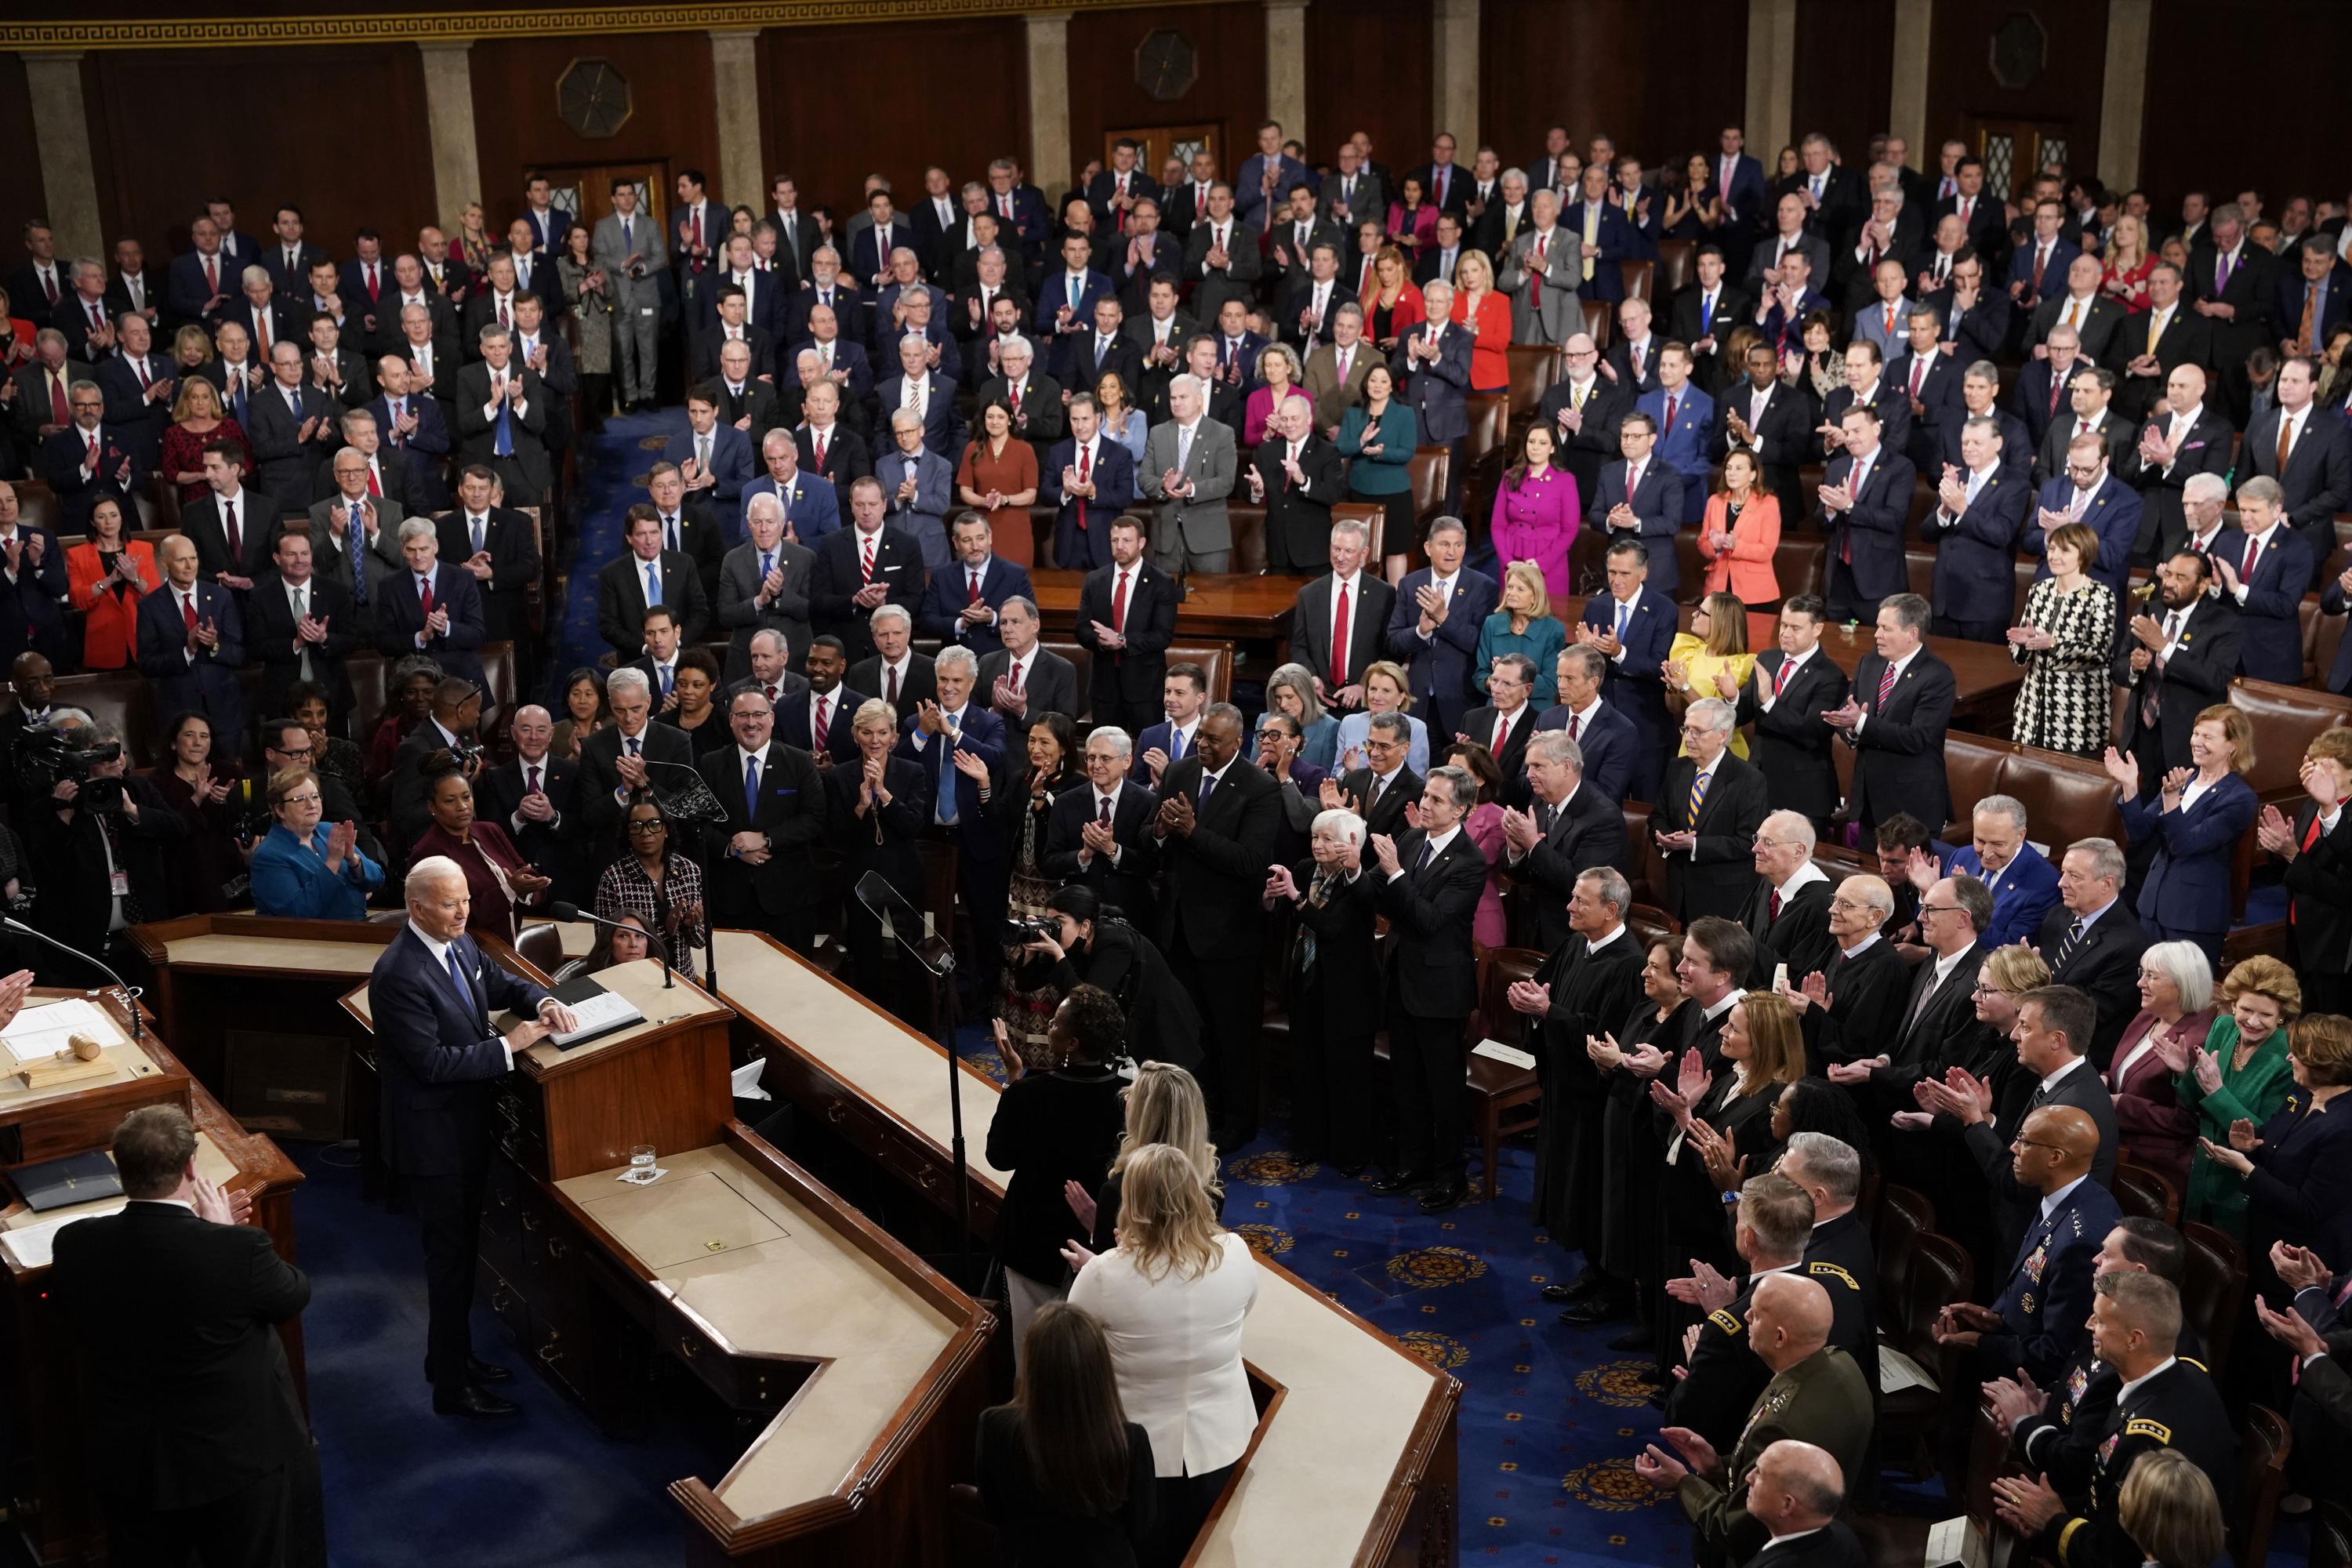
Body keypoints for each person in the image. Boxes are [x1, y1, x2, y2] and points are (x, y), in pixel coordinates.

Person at [49, 1105, 314, 1568]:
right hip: (234, 1460)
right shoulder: (237, 1248)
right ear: (191, 1166)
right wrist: (217, 1234)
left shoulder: (73, 1243)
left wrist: (199, 1233)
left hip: (131, 1461)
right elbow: (292, 1296)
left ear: (119, 1167)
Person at [368, 858, 575, 1417]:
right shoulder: (399, 974)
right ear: (416, 908)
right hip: (434, 1142)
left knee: (461, 1256)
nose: (462, 911)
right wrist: (515, 1044)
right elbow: (433, 1064)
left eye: (464, 900)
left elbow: (503, 982)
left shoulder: (459, 944)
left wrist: (545, 1000)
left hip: (465, 1126)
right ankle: (452, 1389)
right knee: (451, 1262)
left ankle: (450, 1359)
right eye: (447, 903)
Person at [1065, 1143, 1258, 1567]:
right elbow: (1244, 1310)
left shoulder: (1103, 1273)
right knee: (1212, 1553)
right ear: (1195, 1194)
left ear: (1132, 1201)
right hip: (1223, 1443)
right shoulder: (1238, 1253)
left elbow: (1069, 1349)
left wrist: (1113, 1259)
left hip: (1135, 1457)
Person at [1992, 1275, 2236, 1568]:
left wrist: (2053, 1521)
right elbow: (2104, 1501)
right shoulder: (2178, 1374)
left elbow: (2115, 1558)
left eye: (2101, 1320)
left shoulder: (2148, 1440)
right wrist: (2043, 1512)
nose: (2089, 1325)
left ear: (2134, 1339)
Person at [1634, 1273, 1873, 1567]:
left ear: (1780, 1337)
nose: (1745, 1315)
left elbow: (1734, 1528)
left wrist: (1682, 1482)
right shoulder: (1842, 1364)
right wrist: (1718, 1466)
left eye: (1757, 1314)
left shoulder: (1781, 1424)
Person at [1137, 704, 1279, 1145]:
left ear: (1238, 742)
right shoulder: (1180, 773)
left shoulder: (1260, 789)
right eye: (1201, 737)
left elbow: (1251, 862)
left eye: (1213, 740)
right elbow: (1148, 839)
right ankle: (1195, 1117)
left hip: (1230, 937)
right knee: (1186, 1032)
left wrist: (1193, 832)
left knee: (1232, 1036)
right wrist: (1160, 831)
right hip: (1178, 930)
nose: (1203, 745)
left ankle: (1237, 1124)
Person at [2194, 1012, 2352, 1408]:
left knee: (2273, 1364)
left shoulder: (2345, 1127)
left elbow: (2308, 1207)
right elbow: (2277, 1145)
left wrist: (2245, 1169)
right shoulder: (2302, 1094)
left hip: (2301, 1261)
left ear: (2323, 1059)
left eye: (2297, 1053)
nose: (2288, 1060)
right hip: (2265, 1240)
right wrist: (2252, 1144)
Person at [988, 985, 1130, 1359]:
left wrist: (1014, 1076)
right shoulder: (1132, 1099)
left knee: (1033, 1359)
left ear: (1071, 1043)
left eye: (1055, 1022)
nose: (1048, 1025)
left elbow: (999, 1157)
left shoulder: (1028, 1095)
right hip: (1106, 1242)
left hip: (1033, 1244)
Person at [974, 1302, 1156, 1568]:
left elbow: (992, 1509)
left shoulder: (993, 1426)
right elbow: (1142, 1528)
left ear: (1032, 1362)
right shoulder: (1130, 1440)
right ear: (1100, 1366)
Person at [2103, 704, 2259, 967]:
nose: (2197, 742)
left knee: (2184, 998)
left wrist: (2171, 800)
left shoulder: (2239, 799)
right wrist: (2130, 785)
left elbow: (2186, 845)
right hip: (2153, 906)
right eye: (2196, 734)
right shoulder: (2184, 780)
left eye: (2208, 737)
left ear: (2233, 745)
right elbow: (2139, 832)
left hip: (2193, 917)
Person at [2166, 955, 2299, 1240]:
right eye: (2246, 1009)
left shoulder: (2287, 1060)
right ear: (2234, 1005)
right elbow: (2197, 1106)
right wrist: (2183, 1073)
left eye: (2265, 1014)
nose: (2252, 1021)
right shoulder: (2223, 1028)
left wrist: (2217, 1092)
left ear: (2282, 1016)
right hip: (2200, 1170)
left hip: (2240, 1188)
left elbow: (2264, 1136)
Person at [823, 690, 930, 1016]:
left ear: (894, 737)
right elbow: (834, 837)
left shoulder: (912, 773)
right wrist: (860, 806)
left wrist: (884, 794)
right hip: (860, 878)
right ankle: (872, 1022)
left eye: (882, 732)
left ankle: (918, 1027)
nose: (875, 740)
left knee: (913, 957)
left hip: (904, 877)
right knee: (866, 957)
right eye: (867, 732)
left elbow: (914, 826)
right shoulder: (839, 775)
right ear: (856, 735)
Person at [2101, 942, 2220, 1193]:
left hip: (2152, 1166)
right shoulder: (2148, 1015)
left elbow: (2187, 1122)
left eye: (2151, 976)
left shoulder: (2198, 1040)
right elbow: (2122, 1072)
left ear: (2182, 984)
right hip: (2115, 1144)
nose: (2140, 983)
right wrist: (2104, 1081)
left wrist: (2121, 1105)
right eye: (2141, 973)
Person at [995, 713, 1080, 1054]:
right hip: (1019, 884)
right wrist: (986, 785)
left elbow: (1064, 835)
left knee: (1044, 955)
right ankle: (1015, 1040)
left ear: (1063, 747)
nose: (1036, 747)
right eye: (1031, 740)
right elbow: (1001, 820)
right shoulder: (1020, 777)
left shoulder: (1075, 785)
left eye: (1045, 741)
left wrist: (1043, 800)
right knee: (1017, 951)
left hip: (1052, 890)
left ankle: (1049, 1046)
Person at [2258, 730, 2352, 1014]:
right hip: (2300, 931)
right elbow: (2294, 869)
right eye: (2315, 765)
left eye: (2328, 767)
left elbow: (2344, 892)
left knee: (2328, 1034)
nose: (2318, 775)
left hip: (2335, 947)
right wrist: (2280, 847)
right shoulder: (2312, 804)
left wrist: (2292, 855)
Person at [1652, 699, 1768, 924]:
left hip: (1722, 897)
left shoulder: (1749, 780)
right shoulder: (1677, 768)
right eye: (1686, 729)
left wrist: (1694, 845)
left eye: (1698, 732)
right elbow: (1658, 816)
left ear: (1723, 736)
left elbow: (1748, 842)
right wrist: (1664, 837)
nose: (1688, 738)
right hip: (1678, 891)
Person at [2006, 521, 2116, 757]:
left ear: (2083, 554)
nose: (2054, 555)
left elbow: (2100, 652)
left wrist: (2054, 644)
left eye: (2064, 550)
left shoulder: (2100, 596)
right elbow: (2020, 650)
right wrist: (2024, 644)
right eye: (2052, 548)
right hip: (2033, 705)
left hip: (2077, 709)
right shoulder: (2039, 590)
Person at [596, 793, 709, 984]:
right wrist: (665, 929)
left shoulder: (689, 871)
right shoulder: (614, 878)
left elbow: (700, 942)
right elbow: (604, 946)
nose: (646, 832)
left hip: (683, 980)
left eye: (654, 824)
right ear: (628, 834)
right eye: (636, 826)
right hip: (636, 982)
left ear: (666, 830)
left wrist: (691, 925)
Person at [250, 765, 381, 919]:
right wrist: (332, 862)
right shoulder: (268, 855)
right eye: (300, 799)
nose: (312, 805)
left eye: (315, 796)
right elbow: (298, 911)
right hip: (307, 939)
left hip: (354, 929)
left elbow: (378, 879)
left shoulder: (329, 830)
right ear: (279, 810)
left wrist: (353, 860)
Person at [149, 710, 245, 915]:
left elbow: (247, 819)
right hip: (181, 871)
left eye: (204, 736)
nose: (197, 742)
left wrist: (232, 800)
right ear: (173, 743)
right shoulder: (158, 782)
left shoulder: (231, 774)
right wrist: (197, 799)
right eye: (189, 735)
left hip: (227, 869)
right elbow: (164, 830)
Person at [1489, 424, 1580, 603]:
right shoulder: (1510, 477)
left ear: (1552, 448)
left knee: (1549, 621)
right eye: (1531, 442)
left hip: (1550, 563)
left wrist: (1542, 563)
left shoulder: (1565, 481)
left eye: (1542, 442)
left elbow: (1569, 530)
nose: (1535, 447)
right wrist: (1508, 561)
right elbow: (1498, 526)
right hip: (1513, 561)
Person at [65, 494, 154, 670]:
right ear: (92, 522)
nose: (109, 522)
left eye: (114, 515)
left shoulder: (143, 549)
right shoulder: (76, 555)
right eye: (101, 517)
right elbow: (78, 599)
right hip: (103, 642)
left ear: (121, 517)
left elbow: (155, 594)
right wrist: (109, 581)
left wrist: (134, 578)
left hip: (140, 638)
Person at [1664, 593, 1758, 757]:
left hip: (1723, 752)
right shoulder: (1689, 653)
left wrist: (1685, 687)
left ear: (1719, 621)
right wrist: (1672, 688)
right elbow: (1674, 708)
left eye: (1701, 611)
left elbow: (1717, 719)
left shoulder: (1739, 666)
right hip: (1689, 746)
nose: (1694, 614)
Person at [957, 396, 1042, 567]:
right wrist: (984, 501)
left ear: (1010, 420)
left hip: (1015, 529)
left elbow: (1031, 495)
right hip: (981, 528)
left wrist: (1004, 499)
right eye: (990, 417)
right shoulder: (972, 448)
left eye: (1000, 417)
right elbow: (965, 491)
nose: (994, 422)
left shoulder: (1025, 450)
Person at [1474, 563, 1568, 712]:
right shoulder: (1492, 623)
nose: (1511, 593)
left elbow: (1551, 684)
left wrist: (1509, 678)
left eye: (1520, 589)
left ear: (1535, 596)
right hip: (1497, 708)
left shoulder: (1553, 630)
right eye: (1510, 587)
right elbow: (1480, 676)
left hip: (1535, 710)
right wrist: (1494, 680)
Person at [1695, 447, 1780, 607]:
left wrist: (1736, 546)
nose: (1731, 473)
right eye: (1728, 468)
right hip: (1718, 588)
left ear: (1753, 474)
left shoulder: (1768, 504)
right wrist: (1716, 547)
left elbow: (1767, 550)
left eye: (1739, 468)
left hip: (1755, 592)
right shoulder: (1715, 501)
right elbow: (1702, 543)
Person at [159, 373, 254, 506]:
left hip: (232, 496)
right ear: (186, 401)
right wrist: (201, 476)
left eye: (205, 397)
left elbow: (249, 461)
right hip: (194, 500)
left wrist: (230, 476)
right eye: (194, 397)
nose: (200, 403)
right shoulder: (174, 433)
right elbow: (170, 474)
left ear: (212, 400)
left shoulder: (229, 426)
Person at [1332, 660, 1433, 779]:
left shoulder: (1416, 728)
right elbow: (1335, 776)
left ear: (1401, 696)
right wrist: (1350, 773)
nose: (1377, 697)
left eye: (1386, 691)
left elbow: (1418, 780)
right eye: (1373, 689)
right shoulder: (1349, 723)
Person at [1262, 662, 1340, 772]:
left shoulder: (1329, 727)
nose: (1283, 704)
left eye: (1289, 697)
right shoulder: (1265, 721)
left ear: (1306, 695)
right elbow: (1254, 768)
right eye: (1278, 697)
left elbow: (1326, 778)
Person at [550, 668, 607, 762]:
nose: (582, 701)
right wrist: (572, 758)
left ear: (600, 699)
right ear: (568, 699)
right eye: (576, 694)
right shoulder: (553, 732)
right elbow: (549, 773)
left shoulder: (614, 729)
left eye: (588, 694)